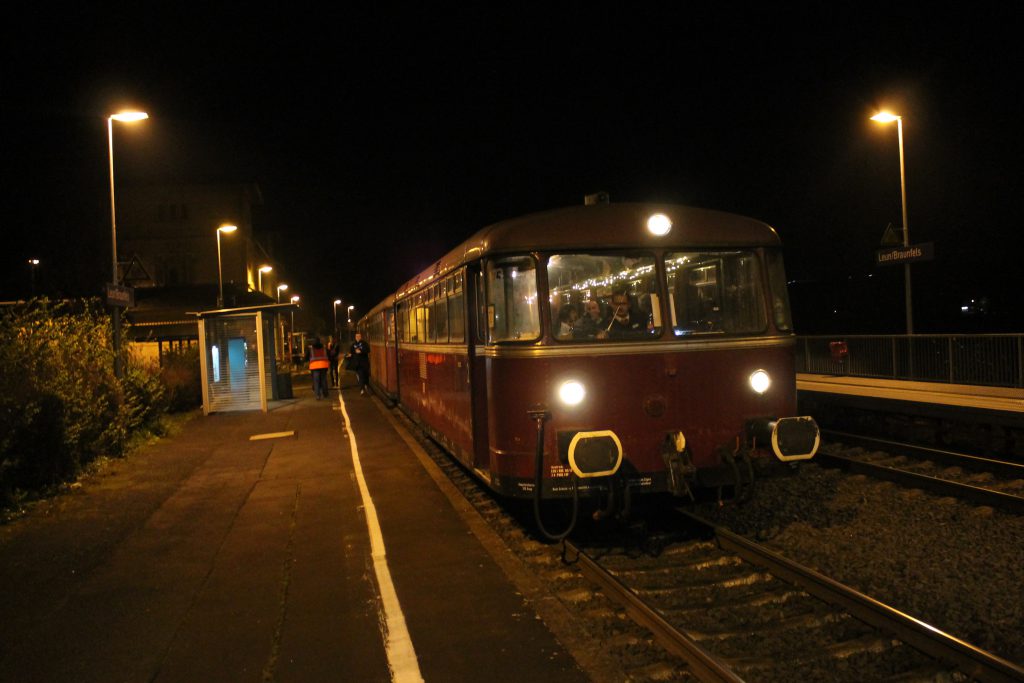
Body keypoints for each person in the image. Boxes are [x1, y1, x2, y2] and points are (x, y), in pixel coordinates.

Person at [346, 331, 371, 395]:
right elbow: (351, 352)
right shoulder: (353, 345)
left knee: (366, 376)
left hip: (365, 363)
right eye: (356, 336)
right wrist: (349, 355)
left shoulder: (364, 343)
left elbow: (368, 350)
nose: (358, 337)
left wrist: (361, 351)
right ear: (355, 337)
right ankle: (362, 389)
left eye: (359, 336)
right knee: (361, 376)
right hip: (358, 364)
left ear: (361, 337)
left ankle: (366, 385)